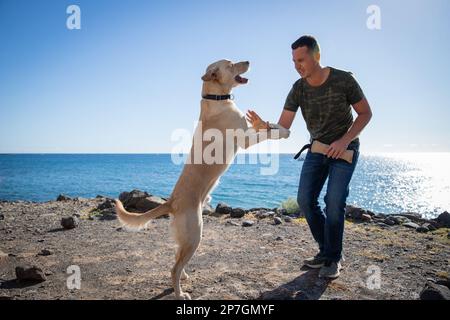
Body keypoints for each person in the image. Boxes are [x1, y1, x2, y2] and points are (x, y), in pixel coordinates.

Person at [246, 35, 372, 279]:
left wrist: (344, 140)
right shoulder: (298, 88)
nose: (297, 65)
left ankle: (334, 258)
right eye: (294, 61)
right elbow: (284, 128)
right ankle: (327, 251)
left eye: (301, 60)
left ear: (317, 56)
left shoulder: (344, 79)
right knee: (305, 200)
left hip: (345, 150)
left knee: (334, 201)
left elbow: (365, 113)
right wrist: (265, 127)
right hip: (317, 150)